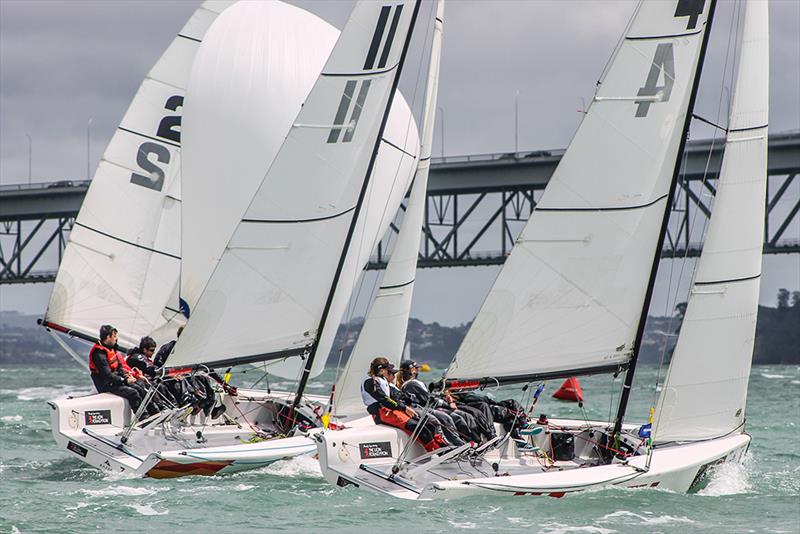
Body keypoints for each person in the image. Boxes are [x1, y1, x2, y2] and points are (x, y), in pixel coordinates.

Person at [361, 357, 445, 452]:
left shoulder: (381, 379)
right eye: (387, 369)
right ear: (381, 369)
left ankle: (442, 446)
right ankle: (437, 451)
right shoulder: (370, 382)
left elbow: (393, 398)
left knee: (427, 423)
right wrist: (404, 408)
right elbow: (384, 400)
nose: (389, 372)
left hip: (390, 410)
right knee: (418, 428)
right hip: (381, 413)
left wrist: (407, 404)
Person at [395, 361, 468, 446]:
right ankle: (458, 444)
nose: (418, 371)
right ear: (411, 370)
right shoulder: (412, 384)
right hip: (422, 408)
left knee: (456, 417)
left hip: (426, 407)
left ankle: (462, 441)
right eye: (416, 369)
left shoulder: (412, 383)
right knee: (447, 417)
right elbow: (428, 399)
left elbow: (427, 397)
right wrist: (448, 405)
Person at [89, 325, 143, 413]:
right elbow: (107, 375)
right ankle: (143, 418)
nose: (116, 339)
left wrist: (126, 376)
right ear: (108, 337)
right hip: (106, 384)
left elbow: (119, 367)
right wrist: (125, 381)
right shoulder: (99, 354)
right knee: (133, 393)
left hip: (115, 381)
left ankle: (154, 415)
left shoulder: (111, 349)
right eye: (114, 336)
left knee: (140, 388)